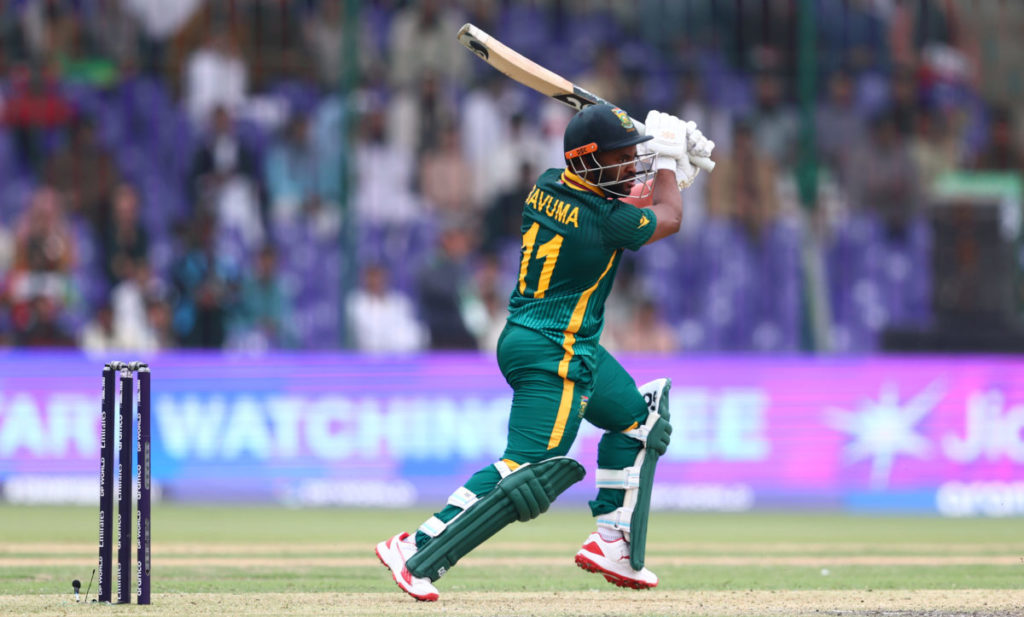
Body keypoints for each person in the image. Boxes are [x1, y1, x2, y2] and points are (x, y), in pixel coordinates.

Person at [376, 104, 713, 601]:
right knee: (529, 470)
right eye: (622, 158)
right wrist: (668, 161)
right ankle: (416, 548)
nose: (630, 167)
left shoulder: (549, 183)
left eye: (633, 158)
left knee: (641, 420)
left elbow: (635, 200)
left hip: (546, 340)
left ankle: (612, 544)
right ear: (591, 162)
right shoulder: (603, 218)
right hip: (554, 352)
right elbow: (668, 217)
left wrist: (668, 166)